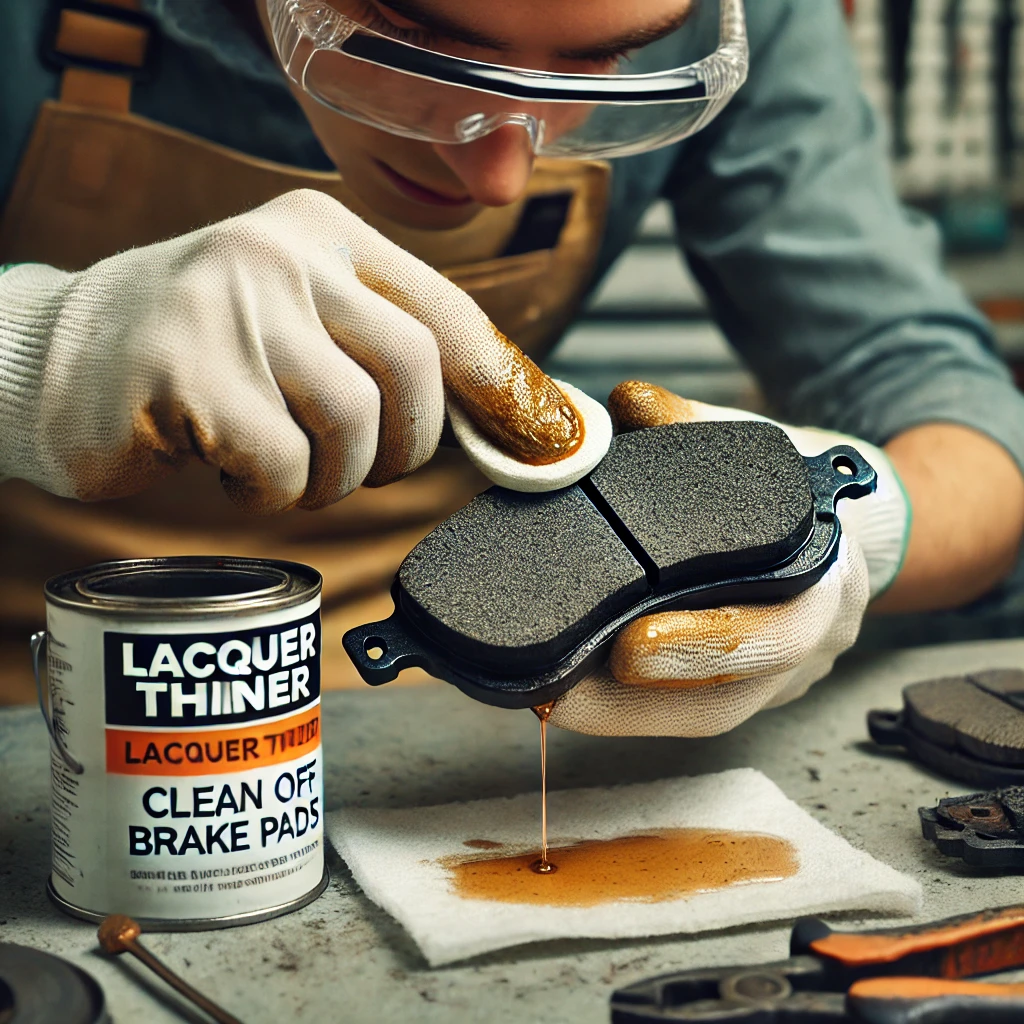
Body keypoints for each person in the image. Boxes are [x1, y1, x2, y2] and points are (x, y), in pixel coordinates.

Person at [1, 0, 1022, 734]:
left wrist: (852, 531)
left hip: (454, 716)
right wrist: (34, 354)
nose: (498, 170)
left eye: (606, 63)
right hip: (39, 709)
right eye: (415, 40)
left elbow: (936, 395)